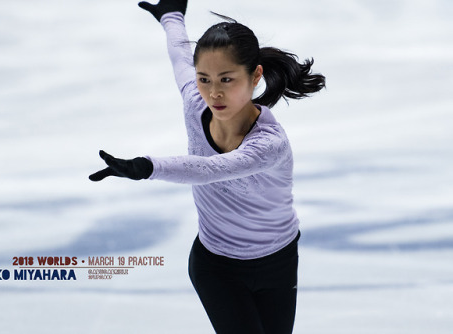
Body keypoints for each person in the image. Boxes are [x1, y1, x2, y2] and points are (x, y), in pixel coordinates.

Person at [89, 0, 325, 333]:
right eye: (204, 79)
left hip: (279, 263)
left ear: (255, 75)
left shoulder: (270, 144)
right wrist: (171, 16)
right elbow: (179, 57)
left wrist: (146, 166)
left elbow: (210, 169)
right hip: (217, 267)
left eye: (226, 80)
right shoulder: (194, 101)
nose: (213, 92)